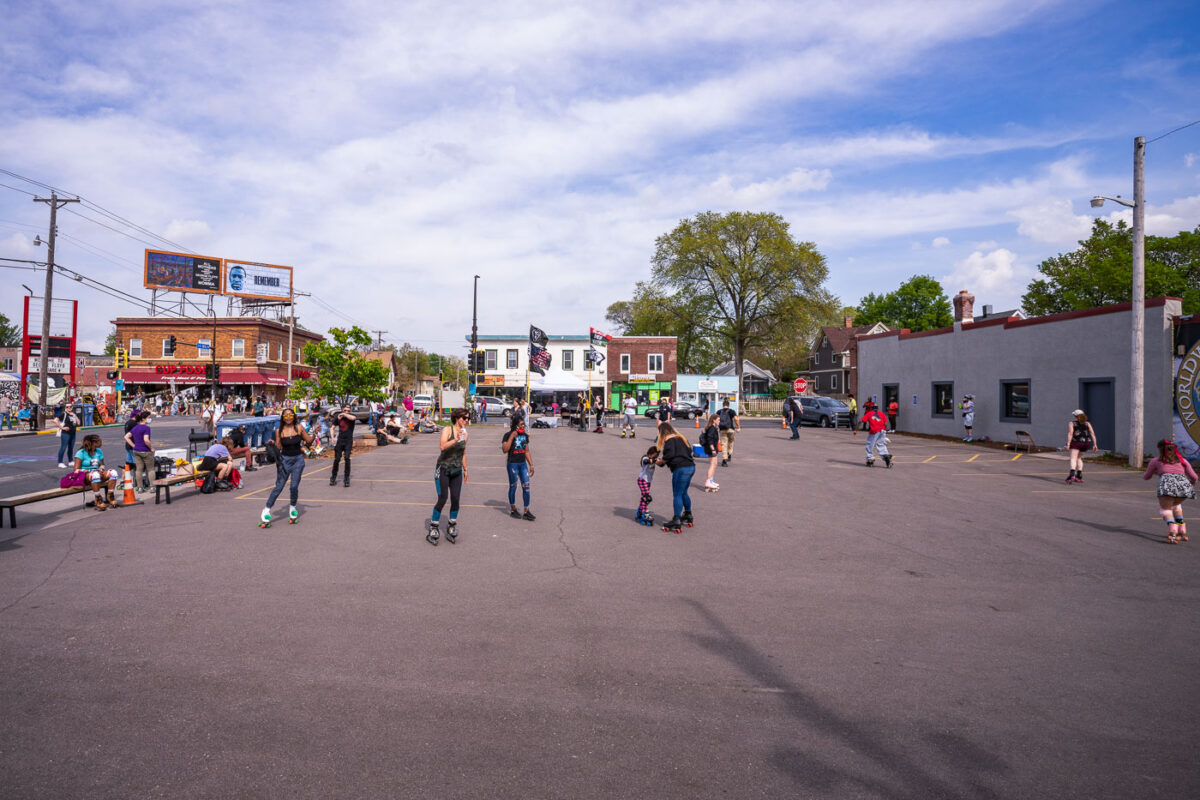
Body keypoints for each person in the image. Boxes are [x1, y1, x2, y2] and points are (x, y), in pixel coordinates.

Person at [260, 408, 313, 527]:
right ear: (282, 418)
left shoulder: (299, 428)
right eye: (286, 416)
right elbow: (279, 447)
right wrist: (272, 444)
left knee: (294, 486)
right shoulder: (279, 431)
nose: (288, 417)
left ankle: (292, 508)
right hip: (285, 461)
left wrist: (314, 433)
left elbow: (308, 441)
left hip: (298, 460)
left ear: (294, 416)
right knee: (279, 486)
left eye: (290, 415)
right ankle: (267, 509)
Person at [426, 408, 470, 545]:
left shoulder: (465, 434)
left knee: (456, 499)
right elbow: (442, 446)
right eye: (464, 418)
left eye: (468, 418)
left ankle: (451, 525)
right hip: (443, 469)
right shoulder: (448, 430)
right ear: (457, 418)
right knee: (443, 497)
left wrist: (465, 468)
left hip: (456, 470)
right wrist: (455, 440)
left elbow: (463, 452)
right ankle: (434, 527)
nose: (466, 421)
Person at [1143, 439, 1197, 544]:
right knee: (1176, 505)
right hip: (1184, 487)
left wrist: (1154, 472)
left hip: (1167, 486)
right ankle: (1182, 530)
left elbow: (1147, 476)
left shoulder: (1156, 461)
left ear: (1160, 450)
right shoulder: (1183, 461)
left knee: (1165, 509)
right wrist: (1191, 483)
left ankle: (1173, 531)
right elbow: (1194, 476)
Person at [656, 423, 695, 532]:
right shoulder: (681, 438)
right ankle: (688, 514)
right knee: (684, 492)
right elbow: (689, 451)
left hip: (680, 469)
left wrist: (660, 461)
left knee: (677, 494)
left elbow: (669, 455)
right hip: (691, 467)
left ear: (662, 432)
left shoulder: (669, 441)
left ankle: (676, 519)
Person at [74, 434, 121, 510]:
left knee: (113, 472)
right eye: (100, 441)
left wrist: (101, 469)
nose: (101, 443)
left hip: (97, 474)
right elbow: (76, 470)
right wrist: (89, 470)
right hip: (85, 476)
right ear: (94, 443)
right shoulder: (81, 452)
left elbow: (102, 464)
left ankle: (110, 496)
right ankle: (98, 498)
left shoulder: (99, 451)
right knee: (95, 475)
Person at [502, 416, 536, 521]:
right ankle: (513, 509)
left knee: (526, 486)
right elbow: (505, 450)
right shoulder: (507, 435)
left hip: (522, 464)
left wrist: (531, 464)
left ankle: (526, 511)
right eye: (521, 425)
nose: (524, 427)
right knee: (513, 486)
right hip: (513, 464)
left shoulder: (525, 436)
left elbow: (526, 451)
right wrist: (512, 437)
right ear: (515, 425)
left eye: (524, 425)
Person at [123, 410, 156, 492]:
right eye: (148, 418)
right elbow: (146, 440)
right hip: (146, 450)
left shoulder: (135, 428)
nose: (149, 419)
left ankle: (140, 487)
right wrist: (151, 448)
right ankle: (152, 487)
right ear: (144, 418)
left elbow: (126, 437)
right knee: (150, 469)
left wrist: (133, 445)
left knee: (139, 469)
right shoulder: (146, 428)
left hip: (136, 450)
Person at [1065, 409, 1098, 484]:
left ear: (1076, 416)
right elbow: (1093, 434)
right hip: (1086, 443)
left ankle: (1072, 474)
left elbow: (1070, 433)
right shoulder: (1087, 423)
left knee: (1073, 458)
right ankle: (1079, 475)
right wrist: (1095, 444)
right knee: (1079, 458)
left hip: (1076, 442)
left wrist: (1068, 444)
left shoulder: (1072, 423)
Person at [329, 404, 356, 487]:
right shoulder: (338, 417)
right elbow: (332, 428)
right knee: (337, 459)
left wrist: (343, 414)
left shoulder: (351, 417)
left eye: (348, 410)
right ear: (342, 409)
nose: (347, 412)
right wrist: (332, 437)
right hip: (340, 440)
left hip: (348, 440)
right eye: (345, 410)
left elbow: (353, 418)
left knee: (347, 458)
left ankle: (346, 478)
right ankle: (333, 477)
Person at [862, 400, 892, 467]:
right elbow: (885, 423)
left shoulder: (869, 413)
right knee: (881, 445)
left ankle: (870, 459)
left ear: (871, 408)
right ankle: (886, 457)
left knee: (869, 444)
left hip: (874, 431)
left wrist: (855, 430)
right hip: (882, 430)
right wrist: (884, 431)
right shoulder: (882, 414)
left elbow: (861, 421)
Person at [635, 445, 659, 526]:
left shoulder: (652, 459)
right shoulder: (645, 458)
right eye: (655, 455)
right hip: (642, 480)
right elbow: (646, 462)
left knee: (644, 498)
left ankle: (640, 511)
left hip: (648, 481)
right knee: (647, 498)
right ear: (651, 454)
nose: (656, 457)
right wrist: (655, 460)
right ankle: (645, 513)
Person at [700, 413, 721, 491]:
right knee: (713, 464)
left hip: (712, 448)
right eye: (718, 420)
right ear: (714, 420)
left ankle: (711, 481)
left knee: (714, 464)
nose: (719, 421)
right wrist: (713, 449)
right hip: (711, 449)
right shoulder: (711, 428)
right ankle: (708, 481)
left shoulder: (713, 427)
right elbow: (710, 440)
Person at [717, 399, 740, 467]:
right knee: (731, 441)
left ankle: (724, 460)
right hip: (730, 429)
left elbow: (715, 419)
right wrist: (738, 426)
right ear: (728, 405)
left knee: (724, 444)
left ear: (723, 405)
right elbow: (736, 419)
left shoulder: (719, 411)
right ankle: (729, 453)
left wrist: (716, 427)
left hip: (722, 430)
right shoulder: (731, 411)